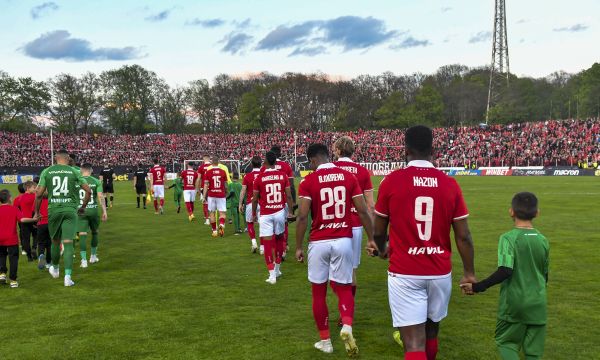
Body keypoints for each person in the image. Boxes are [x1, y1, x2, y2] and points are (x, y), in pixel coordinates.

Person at [372, 125, 475, 360]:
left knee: (413, 343)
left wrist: (382, 249)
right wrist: (469, 272)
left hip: (405, 272)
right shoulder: (449, 184)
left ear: (405, 150)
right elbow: (464, 235)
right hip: (439, 272)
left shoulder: (392, 181)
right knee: (431, 333)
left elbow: (378, 230)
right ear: (433, 150)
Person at [295, 143, 375, 356]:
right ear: (328, 156)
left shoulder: (308, 181)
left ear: (312, 160)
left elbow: (302, 216)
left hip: (319, 242)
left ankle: (325, 341)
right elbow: (363, 211)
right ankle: (347, 326)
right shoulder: (348, 178)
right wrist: (372, 238)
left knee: (318, 293)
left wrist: (297, 247)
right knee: (344, 287)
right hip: (343, 240)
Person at [461, 192, 549, 360]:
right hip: (538, 303)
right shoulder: (543, 240)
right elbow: (545, 275)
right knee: (534, 352)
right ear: (537, 213)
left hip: (515, 303)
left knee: (506, 342)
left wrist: (478, 287)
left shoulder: (508, 238)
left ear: (511, 212)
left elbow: (505, 270)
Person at [34, 149, 91, 287]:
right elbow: (88, 190)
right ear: (67, 158)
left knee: (54, 242)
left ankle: (55, 269)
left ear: (56, 158)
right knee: (68, 242)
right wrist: (82, 206)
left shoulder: (47, 171)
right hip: (70, 210)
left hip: (53, 210)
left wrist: (36, 212)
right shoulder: (74, 171)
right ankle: (68, 277)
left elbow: (39, 193)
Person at [332, 136, 374, 310]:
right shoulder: (362, 171)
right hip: (356, 226)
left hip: (333, 225)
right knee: (351, 270)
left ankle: (344, 306)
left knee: (333, 271)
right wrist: (374, 235)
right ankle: (348, 310)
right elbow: (370, 205)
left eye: (335, 149)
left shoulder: (330, 169)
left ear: (339, 151)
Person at [252, 152, 295, 284]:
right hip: (279, 212)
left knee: (268, 243)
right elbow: (288, 196)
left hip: (266, 214)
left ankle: (272, 275)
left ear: (265, 161)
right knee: (279, 239)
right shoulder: (283, 176)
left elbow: (255, 199)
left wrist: (254, 214)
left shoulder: (259, 178)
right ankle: (277, 269)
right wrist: (291, 211)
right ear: (276, 162)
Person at [262, 145, 295, 255]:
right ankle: (284, 247)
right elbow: (291, 187)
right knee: (284, 224)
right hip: (284, 201)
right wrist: (292, 205)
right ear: (280, 154)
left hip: (269, 202)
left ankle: (273, 249)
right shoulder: (286, 166)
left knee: (270, 227)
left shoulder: (264, 168)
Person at [0, 189, 37, 288]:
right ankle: (13, 280)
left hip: (0, 238)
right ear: (9, 198)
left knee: (2, 256)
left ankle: (2, 274)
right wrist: (34, 219)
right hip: (11, 238)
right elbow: (22, 219)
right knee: (13, 259)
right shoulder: (14, 209)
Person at [77, 163, 108, 268]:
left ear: (81, 170)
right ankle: (93, 256)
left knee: (82, 234)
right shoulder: (96, 181)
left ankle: (84, 260)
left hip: (81, 210)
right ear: (91, 170)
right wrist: (104, 211)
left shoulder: (77, 181)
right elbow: (100, 197)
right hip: (93, 210)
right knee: (95, 232)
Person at [240, 156, 262, 254]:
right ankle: (262, 247)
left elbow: (243, 190)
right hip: (262, 203)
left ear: (252, 164)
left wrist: (240, 203)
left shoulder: (247, 176)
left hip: (250, 203)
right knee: (263, 225)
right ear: (261, 164)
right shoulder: (264, 175)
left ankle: (254, 243)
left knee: (250, 223)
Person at [202, 156, 229, 237]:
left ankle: (214, 231)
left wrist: (204, 196)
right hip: (221, 195)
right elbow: (226, 185)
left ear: (211, 162)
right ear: (218, 162)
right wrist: (226, 192)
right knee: (222, 213)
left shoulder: (208, 172)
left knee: (212, 213)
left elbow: (206, 185)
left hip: (211, 195)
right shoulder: (223, 171)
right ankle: (221, 224)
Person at [17, 181, 38, 261]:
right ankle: (34, 248)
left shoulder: (20, 198)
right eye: (34, 188)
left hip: (24, 221)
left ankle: (29, 257)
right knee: (36, 235)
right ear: (28, 188)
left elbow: (18, 208)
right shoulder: (34, 196)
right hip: (33, 219)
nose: (35, 189)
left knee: (26, 239)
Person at [34, 191, 51, 270]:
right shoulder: (51, 201)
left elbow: (33, 212)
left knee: (41, 243)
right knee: (50, 244)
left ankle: (41, 255)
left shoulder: (37, 202)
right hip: (50, 224)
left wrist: (34, 222)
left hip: (41, 224)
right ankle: (48, 262)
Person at [197, 155, 212, 225]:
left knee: (205, 203)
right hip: (212, 187)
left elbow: (198, 178)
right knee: (212, 203)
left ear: (204, 159)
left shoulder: (201, 167)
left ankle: (207, 219)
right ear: (209, 159)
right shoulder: (212, 166)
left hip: (204, 187)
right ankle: (213, 219)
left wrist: (198, 188)